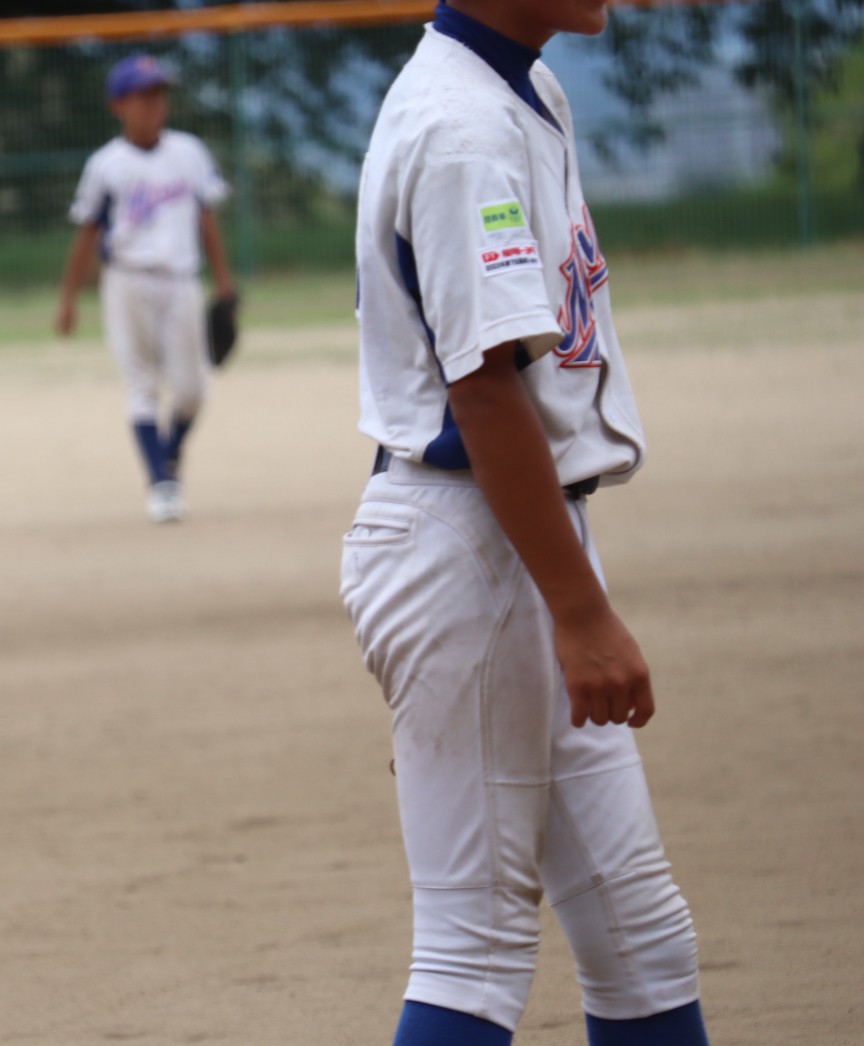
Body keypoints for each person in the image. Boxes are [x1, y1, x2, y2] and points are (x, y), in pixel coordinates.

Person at [340, 3, 713, 1044]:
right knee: (475, 947)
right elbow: (483, 391)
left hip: (507, 534)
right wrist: (580, 612)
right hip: (473, 541)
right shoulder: (463, 130)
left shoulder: (522, 84)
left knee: (641, 938)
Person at [55, 53, 238, 524]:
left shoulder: (190, 152)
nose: (155, 103)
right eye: (143, 95)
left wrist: (225, 284)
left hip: (182, 281)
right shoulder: (105, 165)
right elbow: (87, 233)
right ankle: (161, 483)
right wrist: (69, 299)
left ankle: (168, 453)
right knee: (141, 383)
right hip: (127, 281)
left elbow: (206, 219)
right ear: (118, 105)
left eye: (160, 94)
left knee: (193, 390)